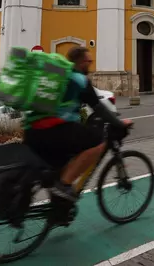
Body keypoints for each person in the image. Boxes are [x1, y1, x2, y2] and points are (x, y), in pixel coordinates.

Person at [23, 46, 132, 202]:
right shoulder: (80, 80)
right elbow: (98, 107)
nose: (91, 64)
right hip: (52, 129)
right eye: (89, 61)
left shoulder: (60, 77)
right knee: (97, 142)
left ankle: (57, 201)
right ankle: (63, 186)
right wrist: (120, 124)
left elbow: (77, 110)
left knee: (62, 160)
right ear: (82, 62)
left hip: (32, 129)